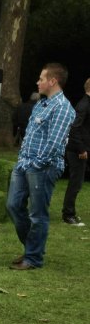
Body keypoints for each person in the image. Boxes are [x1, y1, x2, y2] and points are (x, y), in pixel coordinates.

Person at [7, 63, 76, 270]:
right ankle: (32, 248)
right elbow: (30, 135)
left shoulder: (63, 107)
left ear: (53, 81)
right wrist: (23, 161)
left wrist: (36, 164)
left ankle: (33, 258)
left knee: (37, 214)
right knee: (13, 205)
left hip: (43, 167)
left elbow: (54, 144)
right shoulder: (42, 103)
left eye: (41, 78)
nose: (38, 82)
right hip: (25, 164)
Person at [61, 78, 90, 226]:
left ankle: (69, 212)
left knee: (77, 182)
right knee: (76, 182)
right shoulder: (84, 105)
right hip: (77, 150)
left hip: (82, 148)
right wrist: (81, 149)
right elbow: (75, 128)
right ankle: (68, 214)